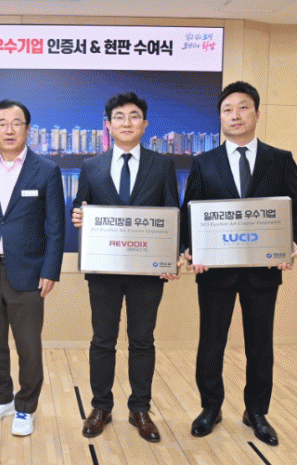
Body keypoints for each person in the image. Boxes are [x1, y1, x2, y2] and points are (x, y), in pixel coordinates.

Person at [181, 81, 297, 446]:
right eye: (227, 110)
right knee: (211, 342)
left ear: (256, 113)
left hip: (262, 271)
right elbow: (190, 212)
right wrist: (193, 249)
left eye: (242, 108)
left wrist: (289, 241)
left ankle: (256, 412)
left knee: (260, 344)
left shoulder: (279, 159)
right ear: (220, 118)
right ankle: (210, 407)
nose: (234, 115)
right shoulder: (204, 162)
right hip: (215, 272)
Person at [71, 92, 181, 442]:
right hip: (104, 271)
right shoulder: (91, 165)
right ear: (109, 125)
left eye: (134, 116)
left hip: (147, 272)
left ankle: (140, 409)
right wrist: (78, 216)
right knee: (102, 340)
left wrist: (171, 257)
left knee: (142, 341)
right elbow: (81, 206)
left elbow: (172, 213)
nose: (127, 122)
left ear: (145, 124)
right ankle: (100, 407)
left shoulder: (162, 165)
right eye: (119, 116)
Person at [0, 99, 65, 436]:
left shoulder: (46, 170)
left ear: (27, 129)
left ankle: (26, 407)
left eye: (16, 123)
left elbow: (55, 227)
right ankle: (1, 399)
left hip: (29, 272)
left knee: (28, 345)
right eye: (2, 123)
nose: (9, 129)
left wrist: (50, 270)